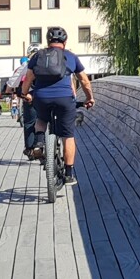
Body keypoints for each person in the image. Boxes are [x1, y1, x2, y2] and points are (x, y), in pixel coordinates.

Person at [24, 28, 94, 184]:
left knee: (41, 119)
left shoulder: (37, 56)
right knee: (68, 136)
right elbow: (84, 81)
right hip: (64, 99)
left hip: (41, 97)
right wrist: (90, 98)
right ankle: (69, 174)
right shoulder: (70, 56)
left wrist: (25, 94)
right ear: (65, 41)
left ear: (48, 41)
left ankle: (40, 143)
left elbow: (28, 78)